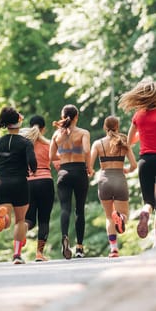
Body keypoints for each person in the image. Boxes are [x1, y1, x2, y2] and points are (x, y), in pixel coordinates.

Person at [118, 80, 156, 247]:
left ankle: (144, 211)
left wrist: (143, 134)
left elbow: (129, 141)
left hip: (145, 161)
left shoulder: (138, 116)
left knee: (149, 200)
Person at [0, 107, 37, 264]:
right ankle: (16, 255)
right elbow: (32, 163)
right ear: (18, 122)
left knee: (7, 220)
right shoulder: (25, 143)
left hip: (2, 182)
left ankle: (4, 215)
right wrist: (32, 170)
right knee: (20, 220)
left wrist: (2, 167)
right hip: (20, 182)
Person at [88, 116, 137, 257]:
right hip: (119, 179)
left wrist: (91, 172)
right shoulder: (123, 142)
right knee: (125, 214)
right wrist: (127, 170)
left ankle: (113, 249)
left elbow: (90, 166)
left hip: (104, 180)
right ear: (118, 127)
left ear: (104, 127)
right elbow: (134, 165)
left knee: (109, 217)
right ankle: (121, 218)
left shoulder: (98, 144)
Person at [49, 104, 92, 259]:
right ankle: (79, 248)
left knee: (65, 208)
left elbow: (51, 156)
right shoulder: (83, 133)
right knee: (79, 210)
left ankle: (65, 236)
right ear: (76, 117)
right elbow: (87, 150)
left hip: (63, 172)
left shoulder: (56, 135)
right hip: (79, 171)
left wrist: (63, 158)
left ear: (62, 117)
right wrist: (90, 167)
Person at [20, 115, 55, 262]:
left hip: (27, 183)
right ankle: (39, 254)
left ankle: (21, 232)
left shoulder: (23, 144)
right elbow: (58, 159)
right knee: (44, 220)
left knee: (29, 219)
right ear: (44, 129)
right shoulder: (48, 144)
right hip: (46, 181)